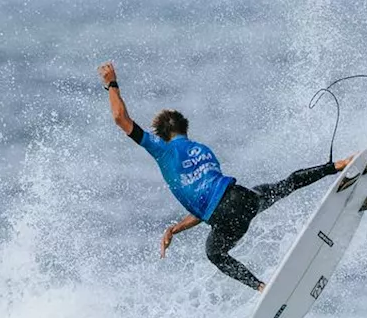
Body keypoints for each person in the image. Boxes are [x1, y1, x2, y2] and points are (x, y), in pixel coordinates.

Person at [98, 61, 349, 292]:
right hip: (244, 199)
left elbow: (121, 118)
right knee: (284, 185)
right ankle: (337, 165)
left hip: (226, 218)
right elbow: (206, 200)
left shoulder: (163, 150)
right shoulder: (203, 150)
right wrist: (174, 229)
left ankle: (261, 287)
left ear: (163, 135)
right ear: (185, 129)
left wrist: (112, 83)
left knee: (215, 253)